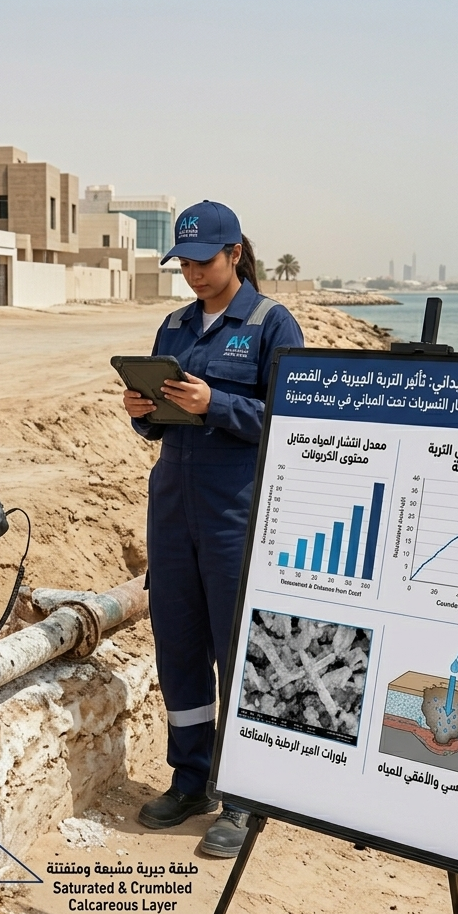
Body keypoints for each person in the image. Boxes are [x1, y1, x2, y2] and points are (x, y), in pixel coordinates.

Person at [123, 201, 304, 857]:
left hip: (238, 512)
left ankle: (247, 798)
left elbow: (295, 421)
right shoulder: (173, 326)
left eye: (205, 261)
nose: (194, 273)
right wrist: (141, 410)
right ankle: (191, 779)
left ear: (234, 254)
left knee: (241, 652)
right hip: (173, 509)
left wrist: (217, 403)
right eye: (185, 264)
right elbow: (155, 425)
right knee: (179, 645)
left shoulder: (271, 324)